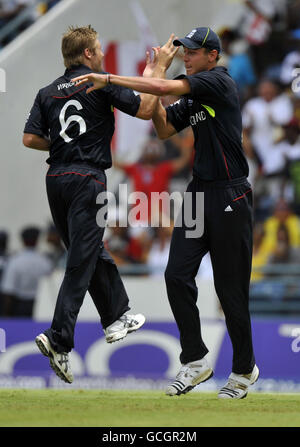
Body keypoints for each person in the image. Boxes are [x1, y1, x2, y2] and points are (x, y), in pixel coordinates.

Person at [72, 26, 259, 399]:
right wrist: (155, 74)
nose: (186, 57)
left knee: (230, 290)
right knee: (175, 276)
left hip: (230, 195)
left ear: (212, 56)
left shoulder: (218, 82)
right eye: (184, 51)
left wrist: (112, 77)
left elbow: (159, 90)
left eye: (192, 52)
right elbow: (163, 127)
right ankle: (196, 361)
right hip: (197, 194)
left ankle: (243, 370)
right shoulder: (193, 88)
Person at [23, 25, 178, 384]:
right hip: (87, 178)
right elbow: (145, 109)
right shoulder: (98, 81)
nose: (102, 54)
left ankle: (116, 317)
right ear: (89, 54)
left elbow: (30, 138)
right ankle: (59, 337)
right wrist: (157, 71)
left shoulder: (47, 92)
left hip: (56, 178)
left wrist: (63, 148)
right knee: (81, 257)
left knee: (87, 249)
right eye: (98, 49)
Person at [0, 227, 52, 317]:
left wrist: (6, 314)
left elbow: (8, 291)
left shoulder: (15, 261)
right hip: (40, 305)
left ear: (23, 241)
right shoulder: (45, 262)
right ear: (37, 240)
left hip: (19, 306)